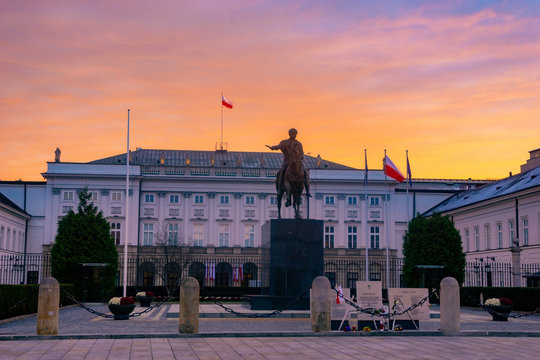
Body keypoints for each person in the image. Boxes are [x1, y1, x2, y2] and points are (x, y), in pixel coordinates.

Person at [267, 128, 311, 197]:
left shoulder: (299, 144)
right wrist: (273, 147)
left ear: (296, 135)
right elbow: (278, 146)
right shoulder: (284, 142)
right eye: (292, 134)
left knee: (305, 172)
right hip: (287, 161)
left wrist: (301, 157)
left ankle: (308, 190)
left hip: (297, 162)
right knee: (282, 171)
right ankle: (279, 189)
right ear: (289, 134)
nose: (293, 135)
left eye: (294, 134)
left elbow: (302, 153)